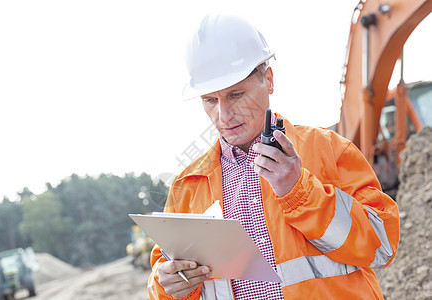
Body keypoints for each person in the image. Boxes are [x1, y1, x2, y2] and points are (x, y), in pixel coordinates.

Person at [147, 13, 400, 299]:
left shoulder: (329, 149)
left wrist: (299, 191)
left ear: (268, 80)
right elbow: (162, 275)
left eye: (236, 94)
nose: (224, 115)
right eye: (210, 100)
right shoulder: (187, 186)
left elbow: (382, 246)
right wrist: (167, 285)